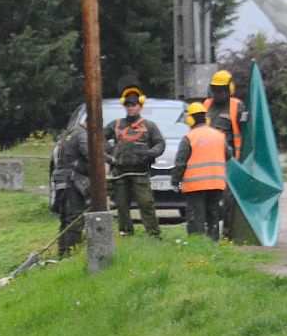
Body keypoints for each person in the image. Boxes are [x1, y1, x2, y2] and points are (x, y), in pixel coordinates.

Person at [103, 87, 165, 238]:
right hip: (119, 173)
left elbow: (160, 143)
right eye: (128, 105)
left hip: (141, 173)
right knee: (122, 206)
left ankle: (153, 234)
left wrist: (151, 154)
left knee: (146, 204)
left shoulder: (149, 126)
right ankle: (125, 232)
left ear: (140, 106)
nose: (131, 107)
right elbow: (98, 138)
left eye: (134, 104)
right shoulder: (115, 124)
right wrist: (110, 151)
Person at [172, 103, 229, 240]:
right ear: (206, 118)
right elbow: (228, 155)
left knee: (196, 216)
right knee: (213, 215)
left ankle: (196, 242)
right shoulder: (219, 136)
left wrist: (175, 181)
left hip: (195, 185)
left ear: (190, 119)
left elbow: (180, 162)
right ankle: (213, 241)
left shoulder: (189, 137)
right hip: (216, 184)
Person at [49, 117, 92, 256]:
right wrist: (110, 160)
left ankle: (62, 254)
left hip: (60, 182)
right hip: (72, 183)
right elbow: (91, 156)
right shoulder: (82, 135)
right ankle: (71, 254)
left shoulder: (67, 134)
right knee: (75, 220)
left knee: (65, 219)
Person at [204, 70, 244, 161]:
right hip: (208, 155)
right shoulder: (207, 104)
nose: (217, 93)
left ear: (229, 89)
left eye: (221, 90)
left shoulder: (237, 105)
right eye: (214, 89)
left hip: (229, 158)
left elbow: (245, 133)